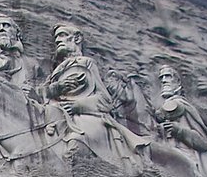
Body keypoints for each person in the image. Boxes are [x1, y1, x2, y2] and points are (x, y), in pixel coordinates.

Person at [40, 22, 150, 160]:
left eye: (63, 35)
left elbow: (105, 99)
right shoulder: (56, 71)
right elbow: (43, 94)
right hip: (57, 116)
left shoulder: (86, 63)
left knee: (75, 143)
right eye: (57, 37)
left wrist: (77, 106)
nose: (58, 40)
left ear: (77, 39)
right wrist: (58, 87)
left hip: (86, 117)